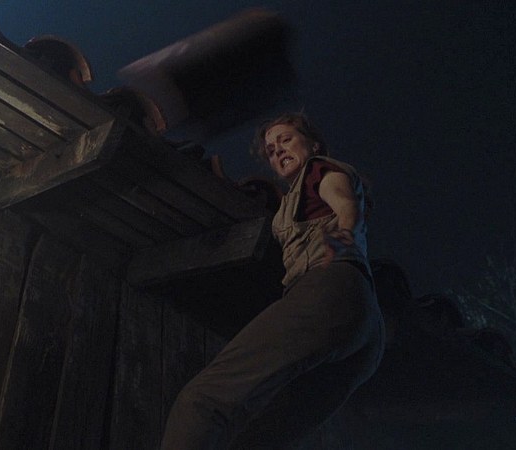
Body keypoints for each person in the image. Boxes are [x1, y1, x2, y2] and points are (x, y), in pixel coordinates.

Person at [160, 112, 385, 449]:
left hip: (329, 290)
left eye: (286, 140)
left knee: (203, 399)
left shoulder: (319, 170)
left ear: (313, 144)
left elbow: (344, 202)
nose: (277, 150)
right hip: (366, 331)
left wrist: (341, 235)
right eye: (270, 150)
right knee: (262, 436)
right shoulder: (291, 201)